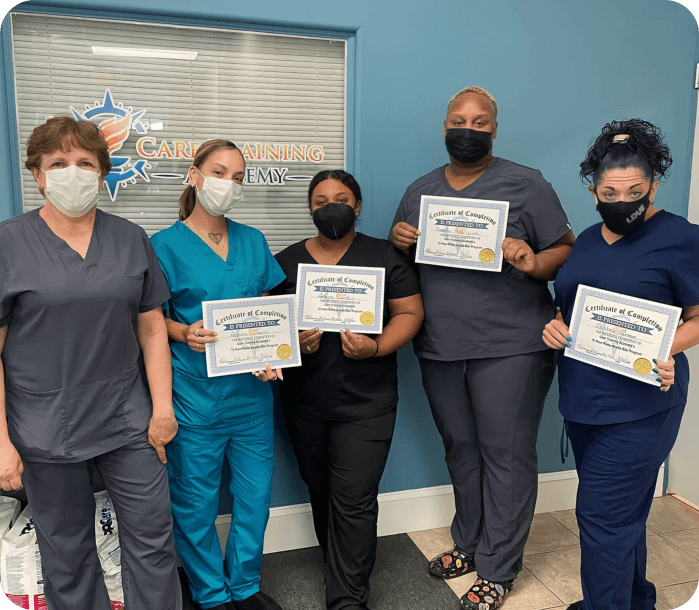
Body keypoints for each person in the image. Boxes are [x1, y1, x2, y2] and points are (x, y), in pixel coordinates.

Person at [390, 86, 576, 610]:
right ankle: (468, 542)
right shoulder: (419, 190)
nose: (467, 129)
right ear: (444, 127)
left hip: (512, 345)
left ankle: (498, 566)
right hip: (441, 345)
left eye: (479, 121)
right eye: (458, 120)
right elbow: (406, 261)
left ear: (494, 129)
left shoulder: (526, 184)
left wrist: (531, 260)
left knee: (506, 456)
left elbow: (564, 248)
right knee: (462, 450)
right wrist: (400, 237)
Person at [0, 116, 181, 610]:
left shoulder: (130, 238)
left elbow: (151, 328)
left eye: (85, 162)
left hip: (128, 418)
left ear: (102, 172)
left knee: (152, 540)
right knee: (68, 551)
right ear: (37, 174)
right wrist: (1, 443)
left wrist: (162, 409)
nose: (72, 172)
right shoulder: (8, 244)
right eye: (58, 163)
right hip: (42, 425)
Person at [542, 119, 699, 610]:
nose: (623, 198)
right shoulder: (586, 240)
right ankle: (635, 599)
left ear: (653, 185)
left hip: (641, 407)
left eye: (635, 190)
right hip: (585, 403)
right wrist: (555, 325)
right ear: (593, 192)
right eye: (611, 191)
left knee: (601, 518)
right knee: (623, 514)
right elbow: (567, 306)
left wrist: (667, 347)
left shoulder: (682, 238)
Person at [271, 169, 424, 610]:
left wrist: (376, 347)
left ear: (357, 206)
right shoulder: (284, 262)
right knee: (320, 492)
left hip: (367, 403)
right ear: (310, 209)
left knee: (354, 499)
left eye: (340, 198)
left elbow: (410, 313)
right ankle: (339, 564)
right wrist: (293, 340)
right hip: (304, 402)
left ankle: (348, 598)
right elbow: (271, 325)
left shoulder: (385, 255)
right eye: (320, 201)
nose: (330, 207)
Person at [150, 139, 286, 610]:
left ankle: (245, 585)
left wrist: (274, 351)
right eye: (219, 172)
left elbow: (266, 309)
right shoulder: (162, 246)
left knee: (254, 503)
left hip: (252, 398)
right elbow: (150, 322)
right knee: (195, 505)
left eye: (238, 177)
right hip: (195, 398)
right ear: (194, 175)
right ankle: (210, 592)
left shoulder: (253, 240)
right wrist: (183, 332)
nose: (228, 184)